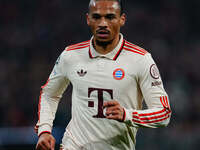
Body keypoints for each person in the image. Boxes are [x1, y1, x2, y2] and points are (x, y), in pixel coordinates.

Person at [35, 0, 172, 149]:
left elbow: (163, 114)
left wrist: (128, 115)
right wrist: (44, 130)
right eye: (96, 17)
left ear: (122, 19)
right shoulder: (70, 55)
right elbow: (49, 94)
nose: (103, 23)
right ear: (88, 19)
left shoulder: (140, 60)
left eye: (110, 17)